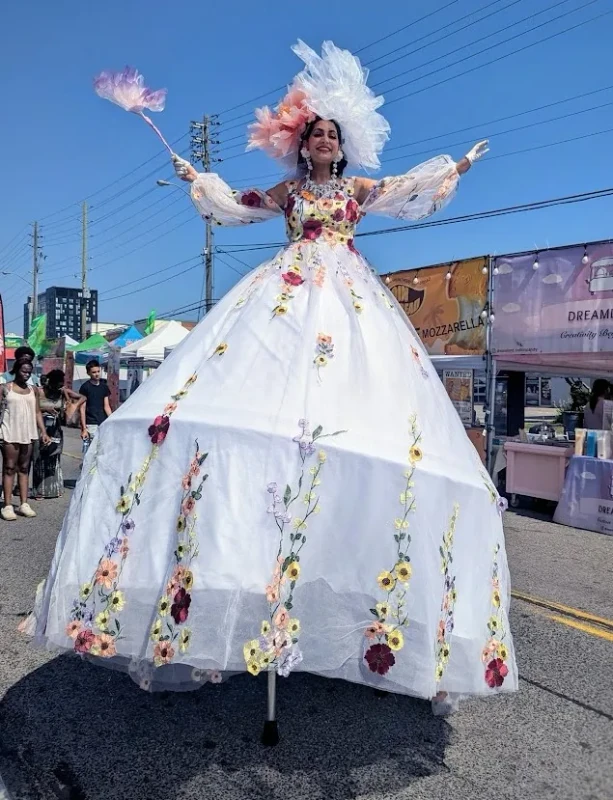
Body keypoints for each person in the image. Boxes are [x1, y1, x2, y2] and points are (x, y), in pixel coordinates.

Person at [27, 41, 516, 720]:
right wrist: (197, 177)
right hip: (279, 303)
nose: (322, 140)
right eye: (314, 132)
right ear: (301, 144)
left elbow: (406, 192)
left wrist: (454, 167)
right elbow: (236, 205)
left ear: (341, 148)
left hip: (347, 304)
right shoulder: (288, 194)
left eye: (330, 133)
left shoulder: (356, 192)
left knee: (362, 429)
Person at [1, 358, 50, 520]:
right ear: (16, 370)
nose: (27, 374)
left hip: (28, 433)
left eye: (29, 372)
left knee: (24, 468)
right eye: (24, 371)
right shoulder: (5, 388)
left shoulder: (33, 390)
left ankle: (24, 503)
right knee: (9, 467)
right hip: (9, 431)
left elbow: (37, 412)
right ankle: (8, 506)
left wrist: (43, 432)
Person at [32, 370, 84, 500]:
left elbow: (83, 397)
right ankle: (39, 491)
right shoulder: (39, 391)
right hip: (40, 428)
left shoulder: (62, 391)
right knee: (39, 459)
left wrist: (74, 405)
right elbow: (32, 408)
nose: (58, 387)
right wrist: (45, 409)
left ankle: (54, 489)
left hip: (55, 429)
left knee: (54, 459)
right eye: (56, 385)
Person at [79, 360, 111, 455]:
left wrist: (112, 419)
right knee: (92, 451)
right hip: (91, 423)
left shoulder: (104, 387)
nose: (96, 374)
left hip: (103, 422)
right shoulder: (85, 387)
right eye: (94, 372)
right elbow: (82, 409)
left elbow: (107, 406)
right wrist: (84, 428)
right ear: (88, 373)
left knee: (103, 450)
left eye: (98, 371)